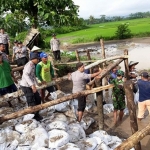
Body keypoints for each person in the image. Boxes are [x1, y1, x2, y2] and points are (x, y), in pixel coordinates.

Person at [20, 53, 43, 121]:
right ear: (33, 59)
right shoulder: (29, 65)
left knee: (38, 98)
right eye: (37, 59)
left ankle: (36, 113)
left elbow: (33, 76)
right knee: (31, 101)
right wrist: (32, 85)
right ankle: (33, 116)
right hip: (26, 86)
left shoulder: (33, 65)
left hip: (30, 85)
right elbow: (26, 75)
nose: (38, 60)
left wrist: (37, 83)